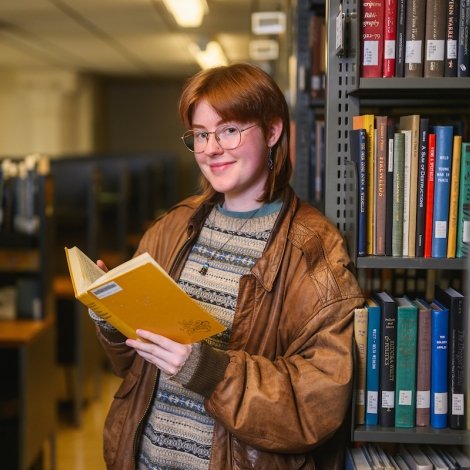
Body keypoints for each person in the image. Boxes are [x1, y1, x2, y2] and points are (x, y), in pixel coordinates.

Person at [90, 62, 364, 470]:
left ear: (273, 132)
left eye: (229, 130)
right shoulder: (172, 227)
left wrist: (211, 372)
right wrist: (113, 318)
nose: (211, 149)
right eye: (201, 135)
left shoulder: (315, 251)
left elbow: (318, 405)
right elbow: (132, 367)